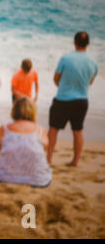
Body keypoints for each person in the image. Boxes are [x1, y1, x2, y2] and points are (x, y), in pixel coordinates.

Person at [47, 32, 98, 167]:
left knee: (53, 129)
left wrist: (63, 87)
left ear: (74, 42)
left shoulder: (65, 58)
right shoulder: (93, 62)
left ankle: (49, 159)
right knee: (78, 130)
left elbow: (55, 78)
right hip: (81, 100)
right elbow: (90, 81)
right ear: (88, 44)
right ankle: (75, 161)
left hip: (63, 99)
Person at [0, 98, 52, 187]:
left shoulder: (4, 129)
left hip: (4, 177)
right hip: (38, 179)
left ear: (14, 111)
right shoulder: (40, 130)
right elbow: (44, 149)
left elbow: (1, 148)